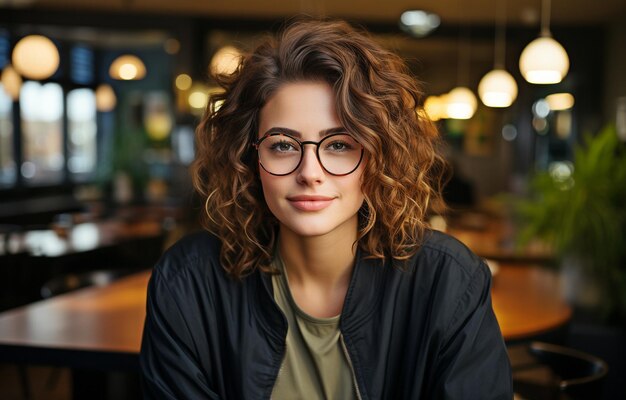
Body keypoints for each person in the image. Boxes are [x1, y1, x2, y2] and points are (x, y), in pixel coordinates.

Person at [140, 18, 512, 399]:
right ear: (248, 157)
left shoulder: (448, 281)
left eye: (339, 145)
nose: (310, 173)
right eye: (283, 144)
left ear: (377, 157)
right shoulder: (188, 282)